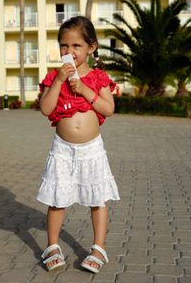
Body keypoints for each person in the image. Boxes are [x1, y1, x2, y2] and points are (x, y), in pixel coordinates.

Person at [37, 16, 120, 273]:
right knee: (57, 198)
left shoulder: (98, 77)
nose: (69, 52)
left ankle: (98, 247)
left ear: (91, 48)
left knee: (98, 198)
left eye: (76, 46)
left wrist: (85, 90)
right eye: (64, 46)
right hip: (62, 149)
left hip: (91, 149)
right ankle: (52, 246)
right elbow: (45, 109)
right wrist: (60, 81)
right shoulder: (54, 77)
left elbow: (108, 108)